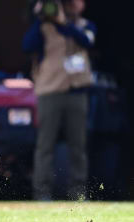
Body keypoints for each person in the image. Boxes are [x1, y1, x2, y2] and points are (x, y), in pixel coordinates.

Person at [22, 0, 96, 200]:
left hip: (77, 92)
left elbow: (87, 41)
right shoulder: (43, 27)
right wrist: (39, 19)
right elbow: (27, 45)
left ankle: (78, 192)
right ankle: (42, 193)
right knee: (45, 145)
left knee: (78, 145)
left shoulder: (86, 26)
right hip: (49, 91)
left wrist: (64, 23)